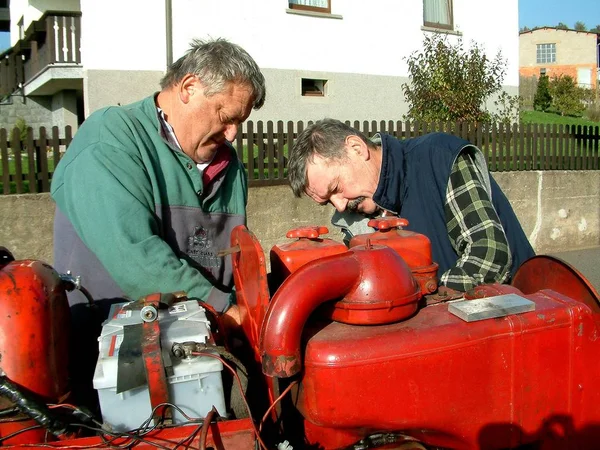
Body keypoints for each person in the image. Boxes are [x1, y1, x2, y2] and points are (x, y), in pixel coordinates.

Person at [51, 38, 265, 408]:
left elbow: (232, 263)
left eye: (239, 122)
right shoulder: (112, 140)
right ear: (188, 88)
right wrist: (225, 310)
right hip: (109, 370)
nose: (233, 133)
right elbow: (138, 261)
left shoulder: (230, 168)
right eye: (226, 116)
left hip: (198, 363)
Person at [288, 118, 535, 292]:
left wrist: (428, 298)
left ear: (356, 148)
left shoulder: (439, 157)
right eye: (327, 201)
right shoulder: (355, 213)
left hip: (526, 320)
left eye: (336, 188)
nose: (339, 206)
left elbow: (489, 254)